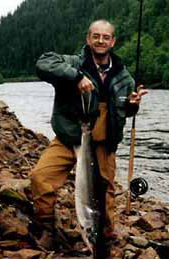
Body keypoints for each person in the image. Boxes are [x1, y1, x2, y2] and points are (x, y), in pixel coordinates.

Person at [31, 19, 148, 255]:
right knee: (40, 177)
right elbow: (43, 63)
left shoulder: (125, 78)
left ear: (113, 41)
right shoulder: (73, 63)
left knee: (106, 193)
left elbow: (124, 110)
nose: (101, 41)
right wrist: (75, 77)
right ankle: (46, 228)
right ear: (88, 39)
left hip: (104, 143)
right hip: (69, 137)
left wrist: (133, 105)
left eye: (106, 37)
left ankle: (104, 238)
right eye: (96, 36)